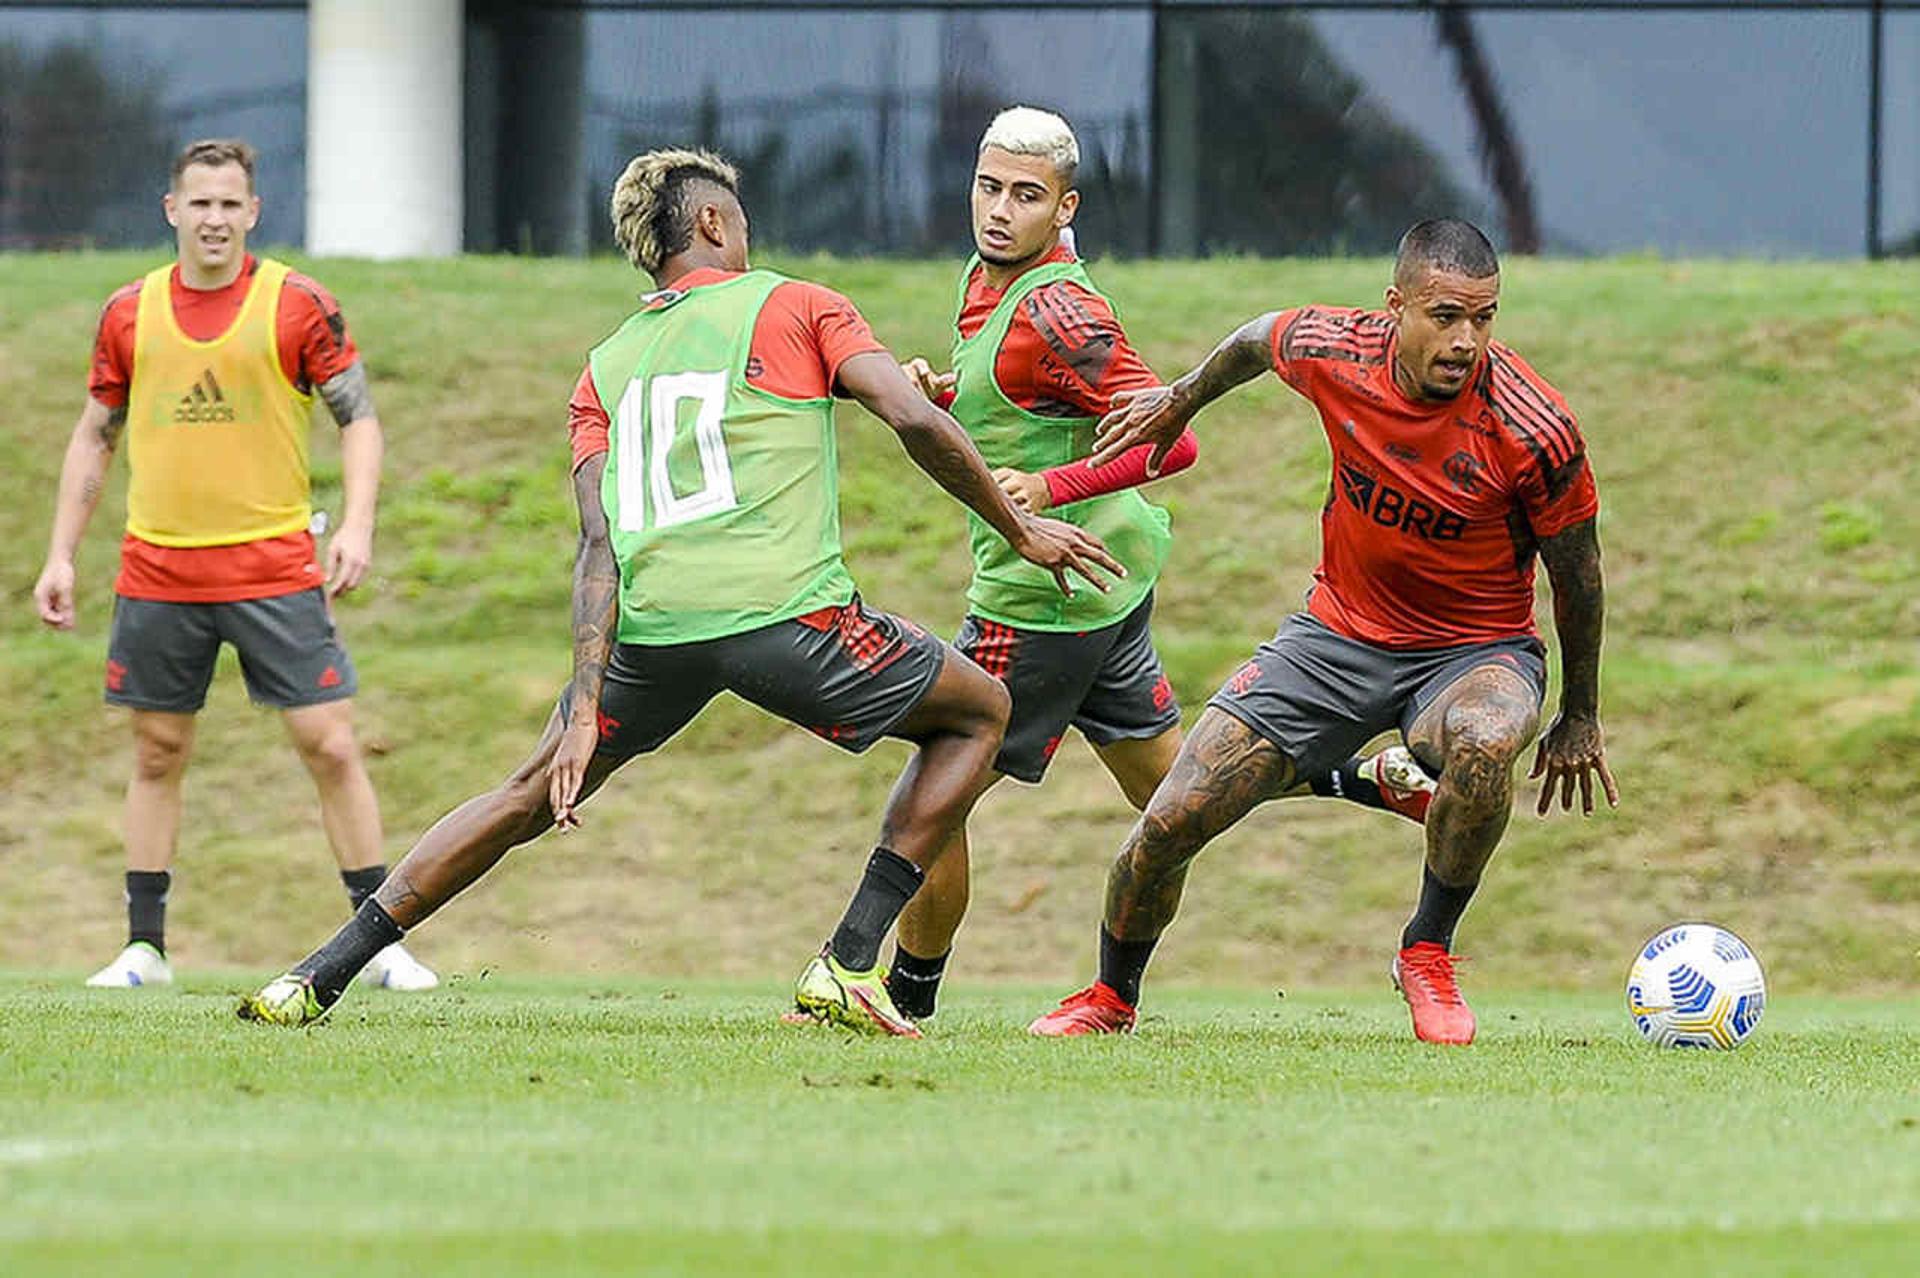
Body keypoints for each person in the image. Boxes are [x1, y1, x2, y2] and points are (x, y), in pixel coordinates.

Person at [237, 148, 1119, 1035]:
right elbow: (914, 418)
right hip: (789, 618)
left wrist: (586, 705)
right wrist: (1023, 529)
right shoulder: (794, 301)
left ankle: (313, 977)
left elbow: (596, 547)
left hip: (655, 637)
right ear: (710, 225)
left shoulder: (608, 362)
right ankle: (849, 961)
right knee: (978, 712)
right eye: (736, 219)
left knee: (521, 794)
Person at [877, 107, 1438, 1023]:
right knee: (1174, 790)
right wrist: (951, 392)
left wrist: (1050, 489)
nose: (1000, 210)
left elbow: (1170, 442)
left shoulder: (1061, 309)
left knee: (933, 792)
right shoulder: (988, 277)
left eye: (1027, 195)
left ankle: (906, 1001)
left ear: (1067, 208)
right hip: (1109, 584)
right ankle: (1361, 778)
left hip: (1046, 599)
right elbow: (1023, 395)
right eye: (988, 187)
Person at [1028, 219, 1617, 1045]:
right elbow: (1257, 339)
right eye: (1445, 316)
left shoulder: (1533, 428)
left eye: (1483, 319)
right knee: (1165, 825)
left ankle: (1426, 951)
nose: (1465, 341)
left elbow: (1579, 575)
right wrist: (1180, 398)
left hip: (1475, 651)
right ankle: (1110, 997)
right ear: (1395, 308)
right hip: (1335, 640)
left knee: (1485, 740)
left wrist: (1581, 712)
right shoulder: (1336, 348)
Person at [32, 138, 434, 992]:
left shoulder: (297, 303)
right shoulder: (128, 313)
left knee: (330, 744)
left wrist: (356, 526)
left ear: (252, 213)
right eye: (199, 203)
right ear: (171, 210)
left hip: (275, 569)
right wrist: (60, 554)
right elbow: (93, 435)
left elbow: (358, 419)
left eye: (230, 205)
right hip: (158, 572)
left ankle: (380, 943)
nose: (214, 219)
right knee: (156, 751)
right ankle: (145, 948)